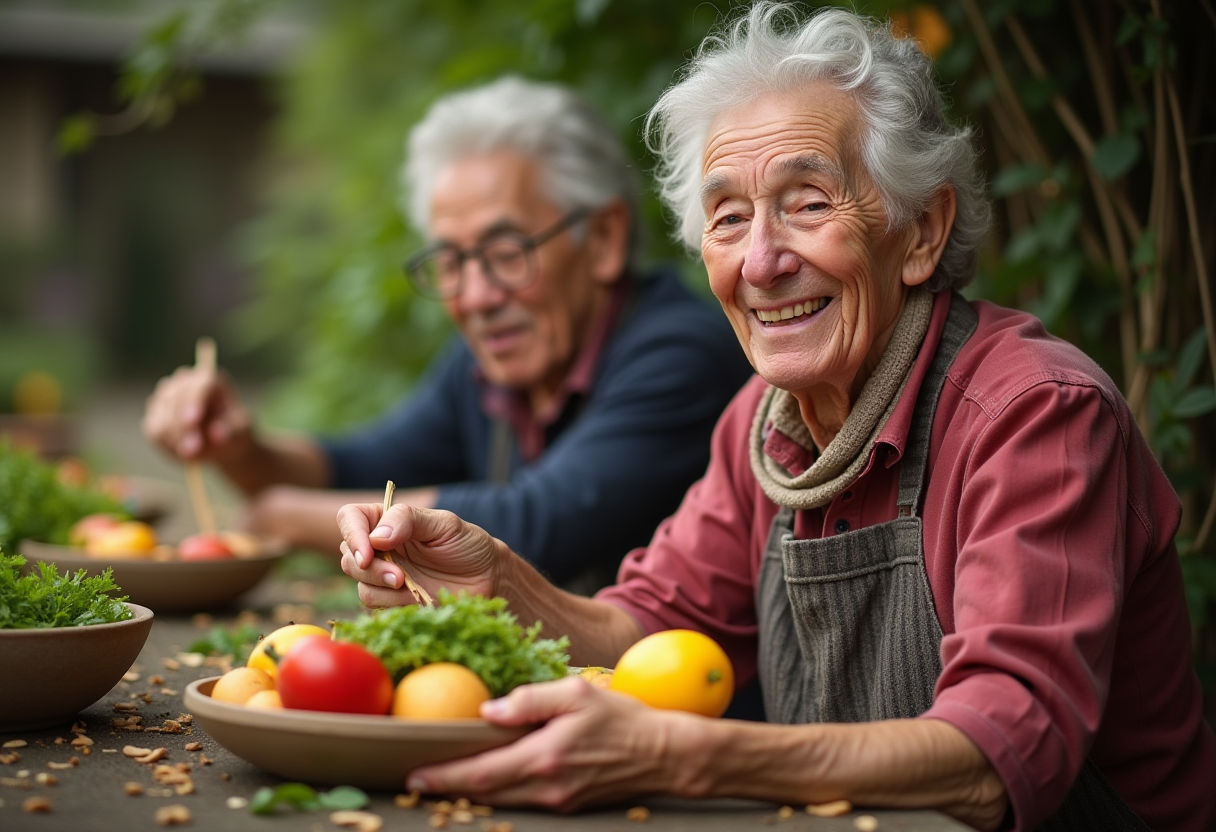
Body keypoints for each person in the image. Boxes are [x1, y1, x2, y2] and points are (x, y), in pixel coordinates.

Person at [334, 5, 1216, 831]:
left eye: (807, 203)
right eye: (727, 218)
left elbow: (1003, 748)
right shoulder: (765, 423)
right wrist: (500, 584)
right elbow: (648, 629)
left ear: (920, 233)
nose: (760, 261)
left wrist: (690, 756)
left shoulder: (1034, 417)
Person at [142, 76, 754, 590]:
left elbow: (535, 522)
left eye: (507, 251)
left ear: (603, 240)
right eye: (452, 262)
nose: (477, 297)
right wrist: (239, 447)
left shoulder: (680, 352)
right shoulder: (491, 363)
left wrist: (277, 514)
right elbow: (358, 464)